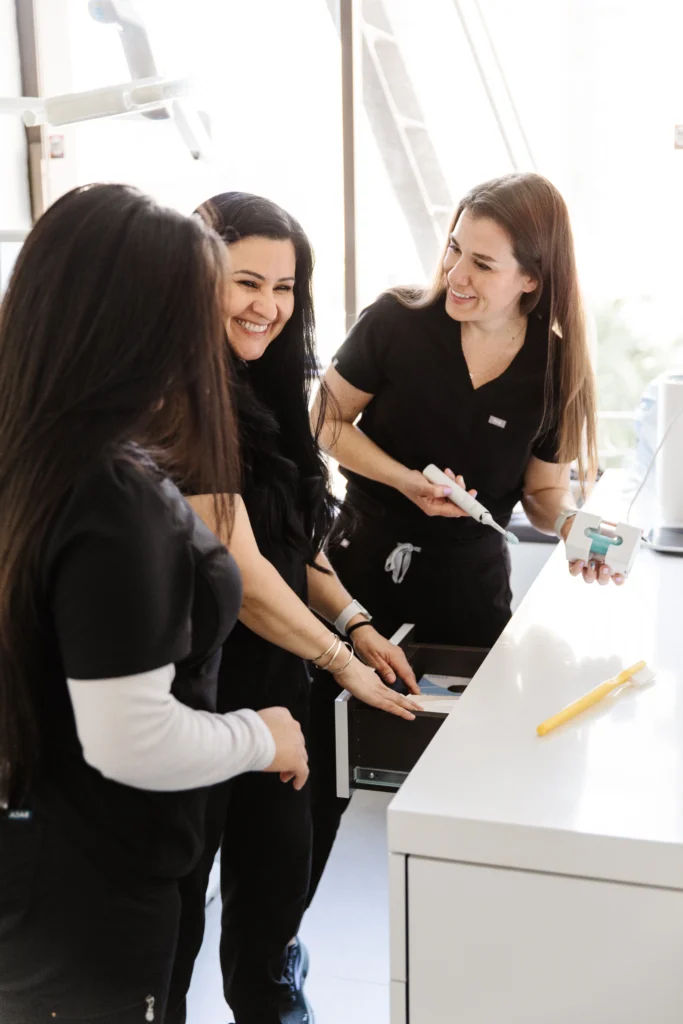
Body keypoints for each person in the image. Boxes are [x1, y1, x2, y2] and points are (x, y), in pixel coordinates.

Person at [0, 183, 311, 1024]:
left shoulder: (30, 454)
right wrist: (260, 737)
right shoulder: (110, 498)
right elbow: (131, 737)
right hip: (90, 897)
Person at [308, 171, 624, 896]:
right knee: (325, 778)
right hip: (357, 573)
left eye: (481, 264)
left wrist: (571, 525)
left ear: (531, 280)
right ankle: (283, 940)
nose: (454, 274)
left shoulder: (554, 368)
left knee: (467, 783)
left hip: (468, 598)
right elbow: (323, 421)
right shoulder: (395, 321)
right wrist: (403, 479)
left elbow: (542, 494)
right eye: (454, 249)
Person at [166, 192, 420, 1024]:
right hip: (195, 694)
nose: (267, 307)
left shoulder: (267, 383)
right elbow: (236, 567)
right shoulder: (175, 396)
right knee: (172, 929)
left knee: (273, 910)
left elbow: (290, 541)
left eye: (284, 288)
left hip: (279, 684)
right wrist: (340, 659)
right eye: (246, 282)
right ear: (194, 276)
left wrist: (354, 621)